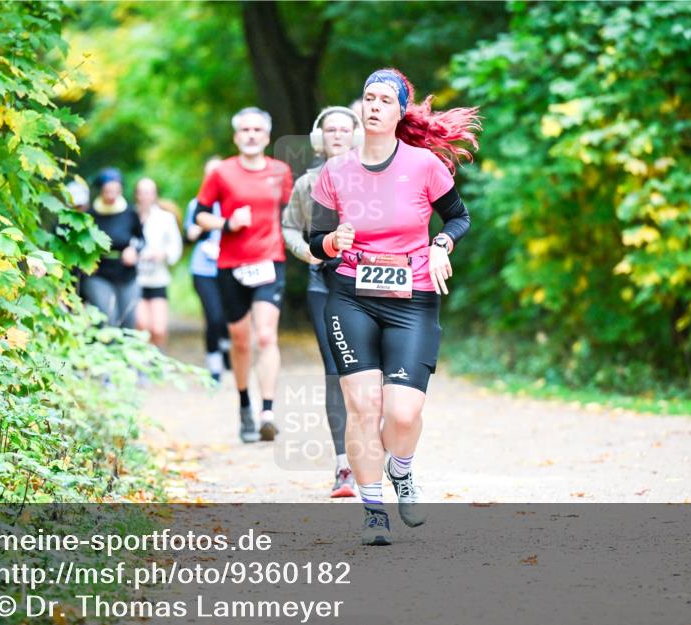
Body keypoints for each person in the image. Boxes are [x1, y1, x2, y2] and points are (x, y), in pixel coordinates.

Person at [308, 69, 480, 545]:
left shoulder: (424, 165)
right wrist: (331, 243)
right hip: (351, 297)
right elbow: (315, 239)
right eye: (368, 97)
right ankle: (373, 509)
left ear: (401, 110)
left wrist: (442, 244)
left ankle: (401, 470)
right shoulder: (335, 171)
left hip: (413, 298)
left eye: (385, 99)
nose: (375, 105)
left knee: (402, 414)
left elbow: (459, 217)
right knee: (363, 406)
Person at [195, 107, 293, 443]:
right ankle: (244, 406)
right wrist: (226, 223)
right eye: (245, 130)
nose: (251, 135)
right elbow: (200, 216)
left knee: (266, 336)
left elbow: (292, 216)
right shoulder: (222, 172)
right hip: (230, 264)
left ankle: (268, 411)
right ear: (237, 137)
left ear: (266, 137)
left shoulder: (281, 172)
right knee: (240, 340)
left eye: (257, 130)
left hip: (270, 261)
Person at [282, 106, 365, 498]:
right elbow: (288, 227)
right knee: (335, 369)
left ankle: (376, 457)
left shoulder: (374, 180)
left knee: (369, 373)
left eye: (344, 129)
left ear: (356, 135)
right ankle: (343, 466)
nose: (336, 136)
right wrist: (308, 253)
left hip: (369, 287)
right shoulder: (308, 183)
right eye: (330, 130)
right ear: (320, 137)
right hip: (324, 286)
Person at [186, 158, 231, 383]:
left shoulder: (232, 202)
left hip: (228, 266)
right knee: (213, 317)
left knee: (228, 316)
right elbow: (189, 234)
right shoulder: (197, 204)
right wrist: (199, 227)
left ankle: (226, 350)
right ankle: (214, 365)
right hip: (203, 269)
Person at [81, 168, 143, 328]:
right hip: (99, 272)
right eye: (108, 191)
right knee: (108, 317)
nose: (111, 195)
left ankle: (127, 352)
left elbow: (141, 239)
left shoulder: (129, 213)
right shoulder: (91, 215)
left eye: (115, 190)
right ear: (101, 191)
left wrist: (134, 250)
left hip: (125, 272)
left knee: (128, 319)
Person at [135, 177, 183, 350]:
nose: (146, 196)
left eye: (149, 192)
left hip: (158, 278)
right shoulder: (131, 217)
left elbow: (176, 247)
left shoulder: (166, 218)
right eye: (142, 192)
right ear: (137, 195)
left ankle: (158, 360)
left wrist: (162, 254)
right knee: (142, 325)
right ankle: (142, 366)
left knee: (159, 328)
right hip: (136, 278)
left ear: (155, 195)